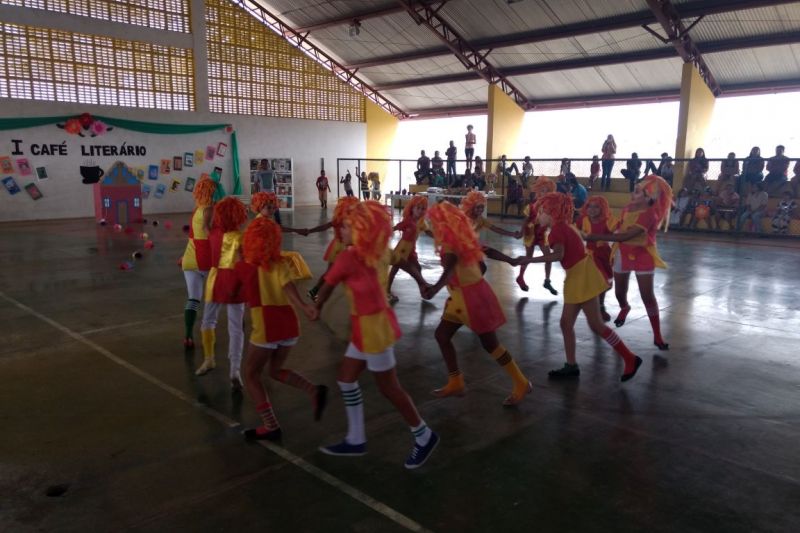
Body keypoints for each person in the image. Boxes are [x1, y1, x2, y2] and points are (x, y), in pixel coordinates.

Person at [315, 201, 439, 470]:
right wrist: (419, 274)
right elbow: (402, 259)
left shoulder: (350, 256)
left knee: (389, 387)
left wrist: (315, 307)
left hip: (374, 329)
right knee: (346, 379)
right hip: (368, 326)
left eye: (348, 227)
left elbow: (327, 284)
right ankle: (356, 438)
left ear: (361, 229)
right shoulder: (377, 251)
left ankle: (424, 435)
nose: (342, 230)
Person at [422, 201, 532, 405]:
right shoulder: (462, 237)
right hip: (460, 297)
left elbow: (450, 268)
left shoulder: (450, 244)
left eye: (436, 222)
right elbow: (488, 250)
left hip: (470, 298)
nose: (434, 225)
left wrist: (433, 288)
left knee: (491, 344)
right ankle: (455, 380)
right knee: (442, 335)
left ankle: (521, 382)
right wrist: (511, 260)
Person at [525, 193, 642, 381]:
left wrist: (527, 259)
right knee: (570, 323)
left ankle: (629, 358)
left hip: (580, 277)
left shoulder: (557, 231)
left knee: (593, 324)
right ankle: (572, 365)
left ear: (551, 212)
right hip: (582, 274)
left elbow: (558, 255)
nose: (538, 216)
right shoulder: (564, 226)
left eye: (541, 212)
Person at [236, 217, 327, 441]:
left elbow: (232, 290)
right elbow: (288, 287)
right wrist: (305, 307)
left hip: (267, 326)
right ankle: (312, 390)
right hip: (289, 325)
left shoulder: (247, 267)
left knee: (250, 374)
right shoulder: (281, 263)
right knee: (274, 371)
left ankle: (270, 425)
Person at [584, 175, 673, 351]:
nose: (634, 192)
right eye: (635, 189)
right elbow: (620, 229)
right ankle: (625, 307)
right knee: (619, 292)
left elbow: (625, 236)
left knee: (647, 296)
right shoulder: (627, 209)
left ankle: (657, 336)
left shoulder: (650, 214)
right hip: (623, 254)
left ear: (649, 197)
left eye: (639, 191)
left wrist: (596, 236)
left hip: (643, 255)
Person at [196, 197, 249, 383]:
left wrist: (212, 202)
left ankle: (209, 359)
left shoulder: (213, 233)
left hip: (215, 279)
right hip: (234, 281)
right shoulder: (241, 238)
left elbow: (206, 213)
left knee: (208, 321)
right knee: (236, 328)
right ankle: (235, 370)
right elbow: (244, 263)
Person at [180, 178, 217, 349]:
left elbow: (193, 234)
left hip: (190, 257)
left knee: (194, 299)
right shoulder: (209, 209)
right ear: (211, 192)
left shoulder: (197, 209)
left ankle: (188, 335)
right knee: (212, 299)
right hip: (205, 258)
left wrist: (183, 256)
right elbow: (209, 233)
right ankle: (208, 332)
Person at [303, 196, 360, 300]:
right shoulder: (341, 220)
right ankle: (316, 291)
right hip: (340, 248)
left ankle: (316, 291)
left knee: (333, 272)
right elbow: (325, 226)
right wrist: (310, 231)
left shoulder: (351, 221)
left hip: (342, 247)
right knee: (331, 273)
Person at [515, 176, 558, 295]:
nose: (545, 193)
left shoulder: (551, 206)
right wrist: (521, 232)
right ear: (538, 191)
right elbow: (525, 220)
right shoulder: (532, 205)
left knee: (548, 256)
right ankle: (520, 277)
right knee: (529, 256)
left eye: (548, 190)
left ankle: (547, 280)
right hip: (531, 232)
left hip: (542, 233)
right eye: (543, 190)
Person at [577, 196, 615, 321]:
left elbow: (618, 235)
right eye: (590, 206)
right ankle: (597, 307)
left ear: (602, 209)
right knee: (598, 282)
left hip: (604, 255)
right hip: (589, 256)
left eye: (596, 206)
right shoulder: (583, 219)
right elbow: (574, 232)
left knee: (606, 283)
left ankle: (600, 304)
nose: (592, 209)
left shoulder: (607, 221)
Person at [387, 195, 430, 304]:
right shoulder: (408, 221)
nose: (420, 211)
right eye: (418, 208)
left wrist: (440, 237)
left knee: (418, 268)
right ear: (412, 208)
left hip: (411, 250)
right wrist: (385, 232)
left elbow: (428, 231)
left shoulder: (421, 222)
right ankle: (386, 291)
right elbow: (396, 227)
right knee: (394, 271)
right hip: (402, 249)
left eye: (423, 208)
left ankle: (423, 289)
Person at [257, 159, 282, 224]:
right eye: (263, 163)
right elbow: (256, 183)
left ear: (268, 164)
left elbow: (275, 181)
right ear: (261, 164)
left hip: (272, 194)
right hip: (263, 195)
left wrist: (275, 191)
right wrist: (257, 193)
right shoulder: (258, 173)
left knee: (276, 208)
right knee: (262, 209)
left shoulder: (272, 172)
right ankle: (262, 223)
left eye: (266, 163)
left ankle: (278, 223)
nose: (264, 165)